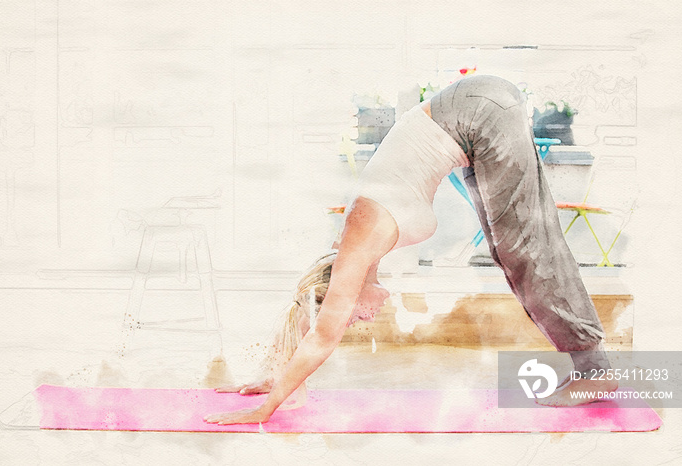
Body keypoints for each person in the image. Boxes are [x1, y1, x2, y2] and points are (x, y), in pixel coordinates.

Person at [204, 75, 618, 425]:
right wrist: (275, 374)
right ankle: (592, 367)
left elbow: (320, 334)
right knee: (511, 242)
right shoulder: (358, 250)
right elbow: (305, 313)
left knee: (520, 244)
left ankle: (594, 371)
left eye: (348, 313)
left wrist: (265, 409)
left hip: (476, 112)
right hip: (473, 114)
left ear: (340, 290)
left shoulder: (357, 242)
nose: (358, 320)